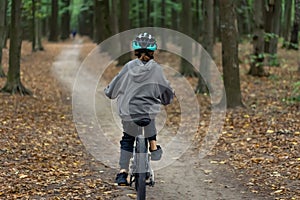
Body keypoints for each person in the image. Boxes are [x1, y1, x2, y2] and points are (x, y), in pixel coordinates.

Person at [104, 32, 174, 186]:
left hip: (128, 113)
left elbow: (113, 88)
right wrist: (167, 99)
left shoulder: (128, 67)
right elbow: (166, 91)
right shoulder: (157, 70)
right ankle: (153, 146)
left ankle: (123, 173)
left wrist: (109, 91)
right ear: (152, 52)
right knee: (149, 115)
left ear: (136, 51)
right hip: (147, 114)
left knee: (128, 139)